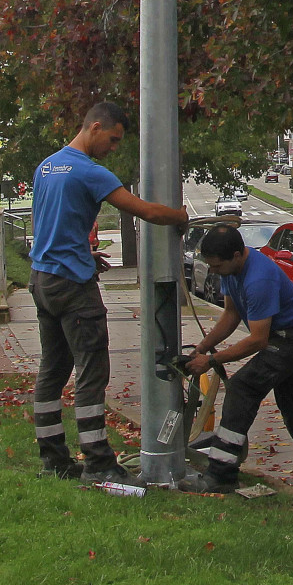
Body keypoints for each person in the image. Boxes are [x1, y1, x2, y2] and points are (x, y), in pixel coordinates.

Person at [29, 101, 188, 484]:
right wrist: (179, 216)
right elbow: (145, 211)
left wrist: (83, 252)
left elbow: (50, 223)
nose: (113, 148)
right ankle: (98, 461)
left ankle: (53, 459)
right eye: (113, 140)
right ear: (95, 126)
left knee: (53, 370)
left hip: (42, 278)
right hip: (72, 287)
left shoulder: (47, 166)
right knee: (91, 371)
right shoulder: (89, 171)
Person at [182, 224, 293, 493]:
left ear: (237, 255)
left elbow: (258, 339)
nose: (212, 271)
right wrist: (203, 347)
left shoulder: (259, 278)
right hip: (281, 334)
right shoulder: (231, 270)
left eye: (216, 266)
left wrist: (212, 361)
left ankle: (221, 474)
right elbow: (231, 315)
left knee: (243, 387)